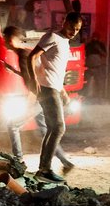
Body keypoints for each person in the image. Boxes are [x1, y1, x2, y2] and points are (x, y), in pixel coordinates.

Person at [2, 26, 74, 168]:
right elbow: (34, 74)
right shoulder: (24, 53)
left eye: (4, 38)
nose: (3, 41)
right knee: (47, 129)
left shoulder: (23, 56)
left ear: (9, 40)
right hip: (44, 95)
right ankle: (63, 160)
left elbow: (33, 80)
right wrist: (14, 71)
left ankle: (19, 160)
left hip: (39, 97)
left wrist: (30, 102)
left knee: (13, 125)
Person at [29, 12, 83, 183]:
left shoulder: (65, 42)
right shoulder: (52, 36)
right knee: (58, 127)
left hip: (55, 88)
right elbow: (32, 56)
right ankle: (44, 170)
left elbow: (56, 70)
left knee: (53, 128)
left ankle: (43, 169)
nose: (73, 32)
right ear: (64, 22)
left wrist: (64, 93)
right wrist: (33, 80)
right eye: (71, 27)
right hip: (47, 89)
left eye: (77, 29)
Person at [85, 31, 107, 100]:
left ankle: (99, 97)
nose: (94, 38)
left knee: (99, 82)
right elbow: (85, 54)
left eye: (96, 37)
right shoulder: (89, 44)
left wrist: (98, 48)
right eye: (93, 37)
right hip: (88, 67)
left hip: (98, 66)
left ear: (98, 38)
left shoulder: (100, 44)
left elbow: (105, 54)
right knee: (86, 83)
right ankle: (85, 97)